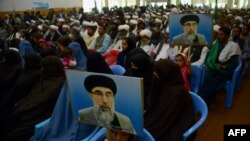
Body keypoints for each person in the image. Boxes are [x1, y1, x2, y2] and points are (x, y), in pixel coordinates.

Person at [144, 59, 195, 141]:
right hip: (166, 118)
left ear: (166, 74)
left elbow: (166, 119)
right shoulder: (165, 85)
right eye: (154, 73)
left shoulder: (178, 94)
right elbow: (153, 104)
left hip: (177, 124)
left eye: (157, 74)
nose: (154, 75)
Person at [199, 27, 241, 107]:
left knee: (209, 78)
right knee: (209, 76)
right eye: (218, 34)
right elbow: (209, 56)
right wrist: (208, 64)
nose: (218, 36)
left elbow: (234, 63)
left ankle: (204, 101)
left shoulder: (233, 46)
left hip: (224, 71)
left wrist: (224, 66)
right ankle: (206, 100)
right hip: (214, 68)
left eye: (221, 35)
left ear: (227, 36)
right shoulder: (217, 43)